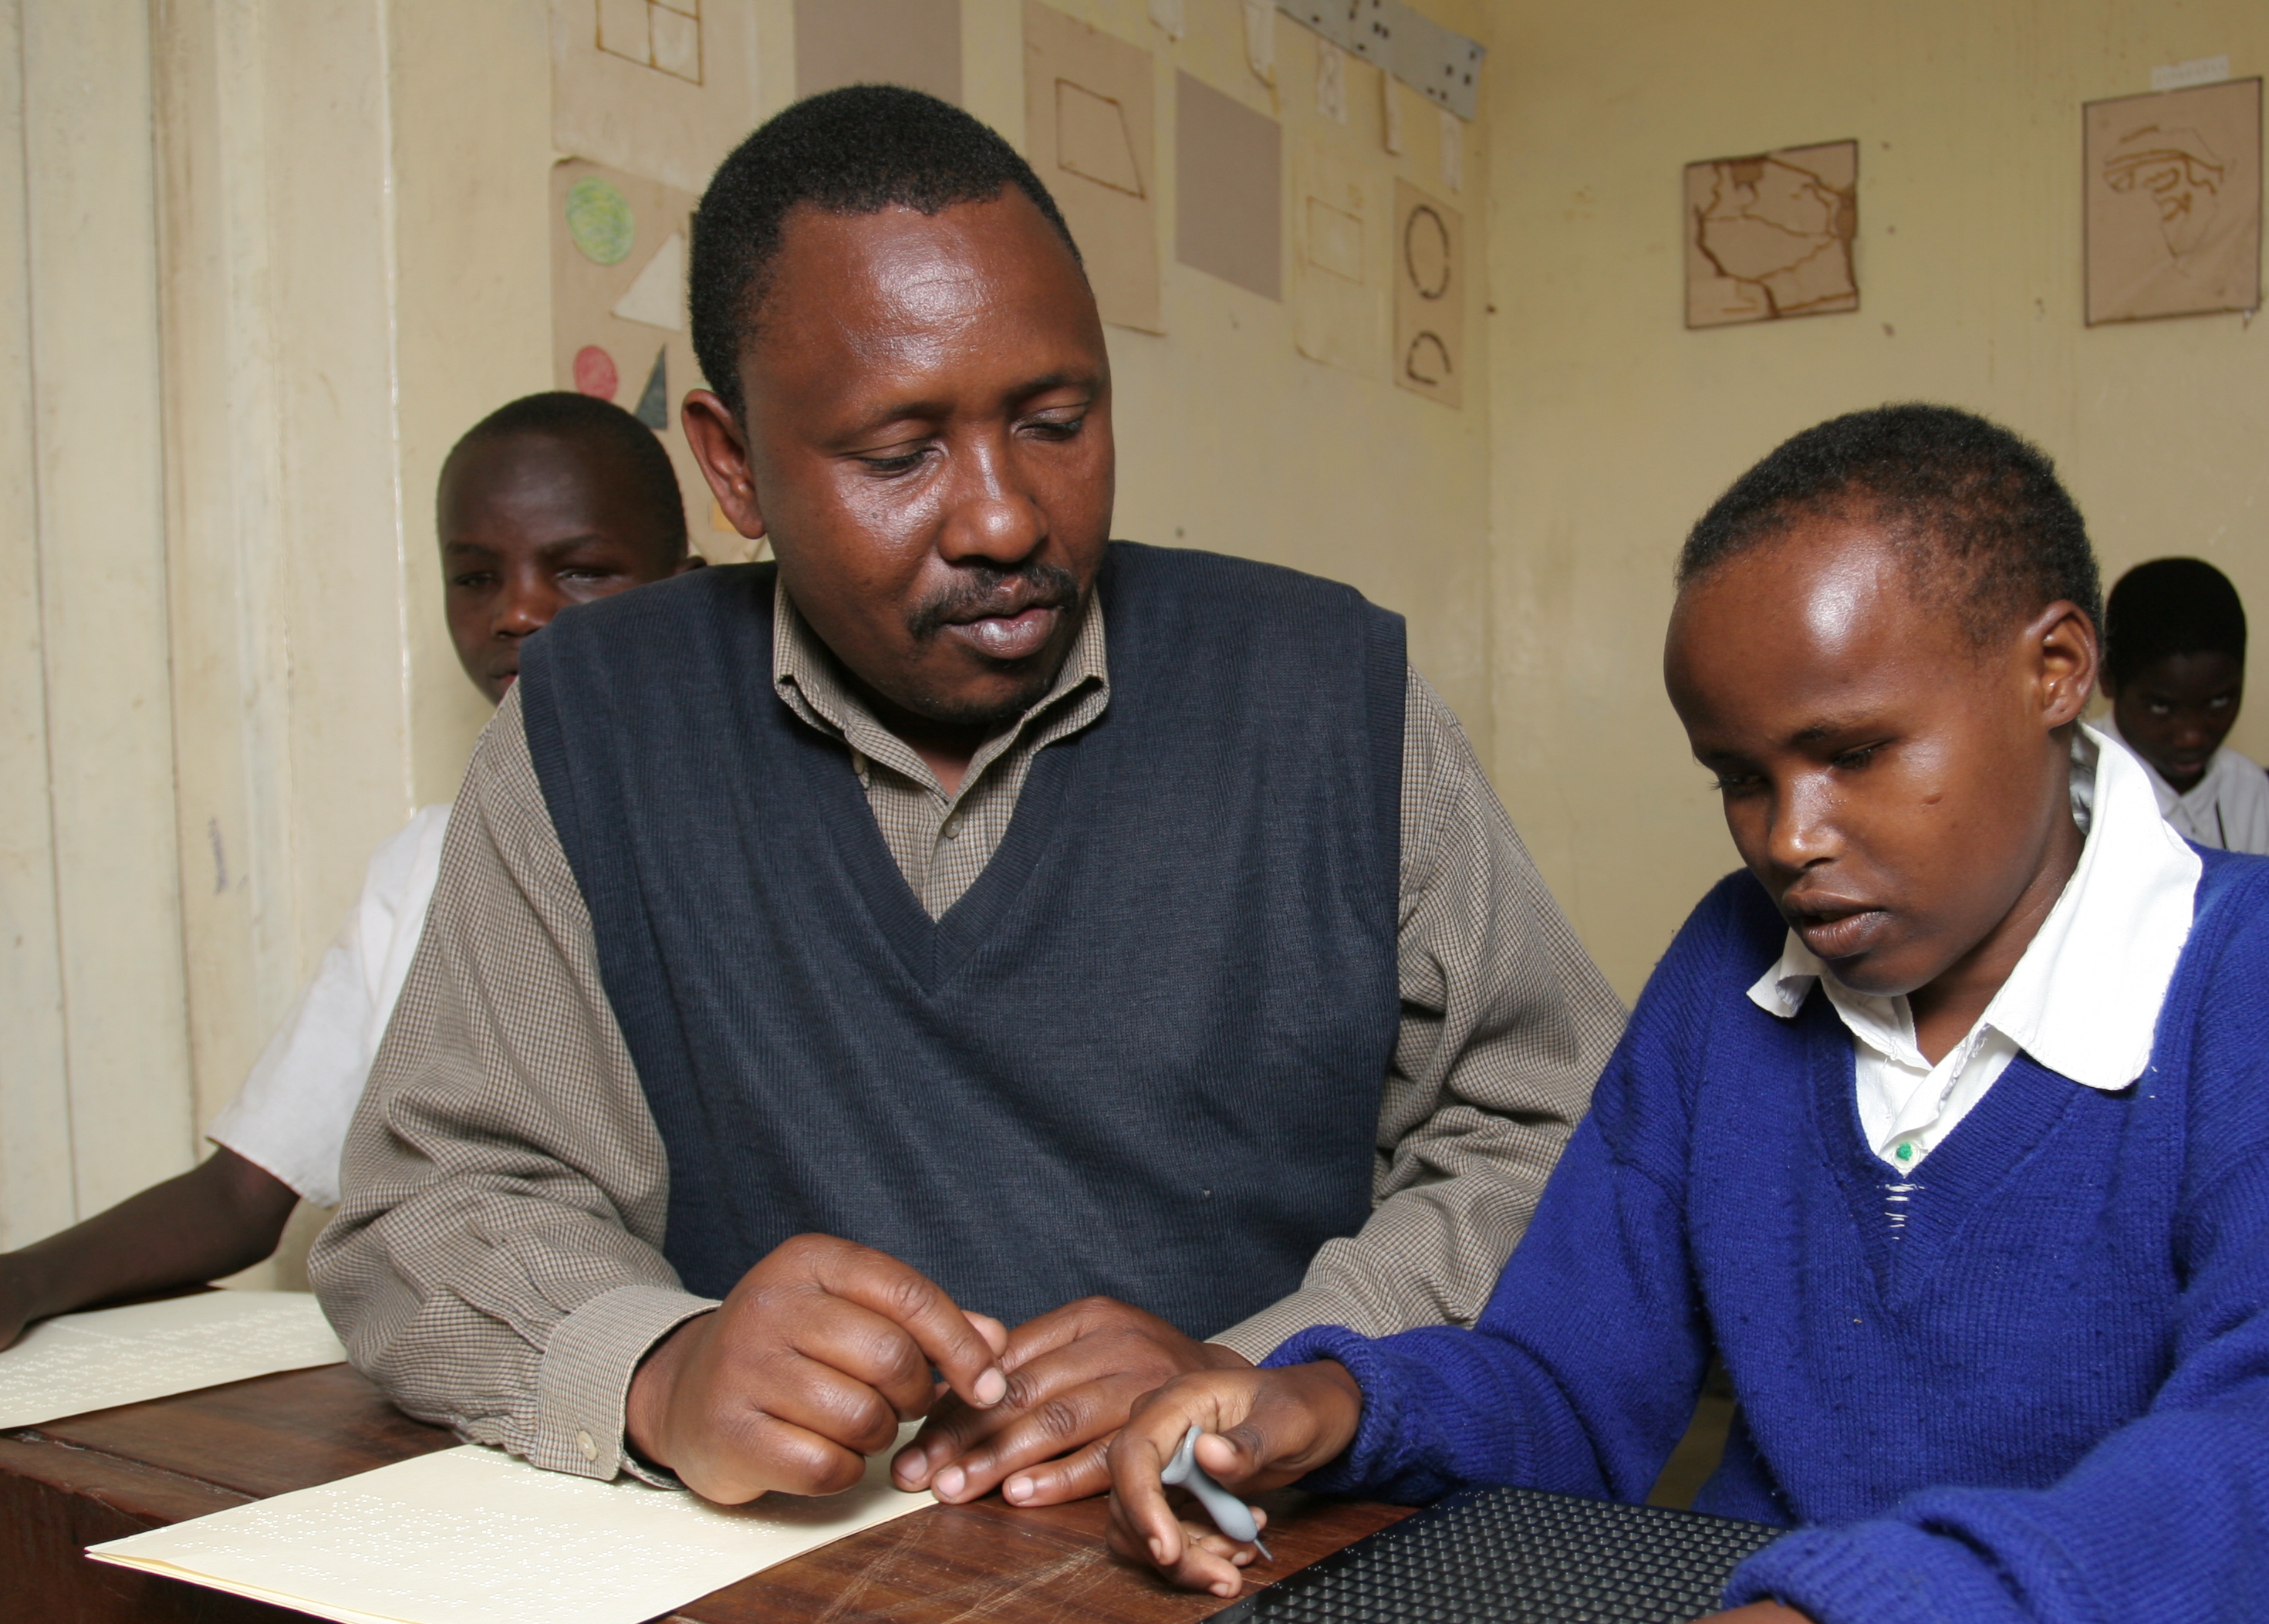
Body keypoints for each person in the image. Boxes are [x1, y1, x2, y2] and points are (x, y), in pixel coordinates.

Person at [1107, 407, 2269, 1624]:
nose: (1789, 838)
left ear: (2052, 669)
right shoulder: (1728, 969)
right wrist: (1344, 1401)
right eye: (1738, 779)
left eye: (1854, 752)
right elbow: (1569, 1385)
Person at [310, 86, 1622, 1511]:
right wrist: (659, 1370)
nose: (1002, 517)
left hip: (1255, 1562)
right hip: (774, 1597)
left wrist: (1266, 1374)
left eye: (1056, 422)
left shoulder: (1329, 699)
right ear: (733, 464)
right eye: (898, 454)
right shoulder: (591, 728)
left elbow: (1561, 1134)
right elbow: (431, 1201)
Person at [0, 392, 697, 1349]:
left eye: (578, 570)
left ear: (687, 586)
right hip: (489, 1385)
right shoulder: (421, 862)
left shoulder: (747, 842)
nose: (518, 611)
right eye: (474, 576)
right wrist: (24, 1280)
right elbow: (244, 1193)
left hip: (698, 1390)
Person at [2091, 556, 2269, 856]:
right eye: (2160, 707)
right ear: (2106, 680)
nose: (2191, 737)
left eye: (2219, 701)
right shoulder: (2069, 787)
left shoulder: (2248, 789)